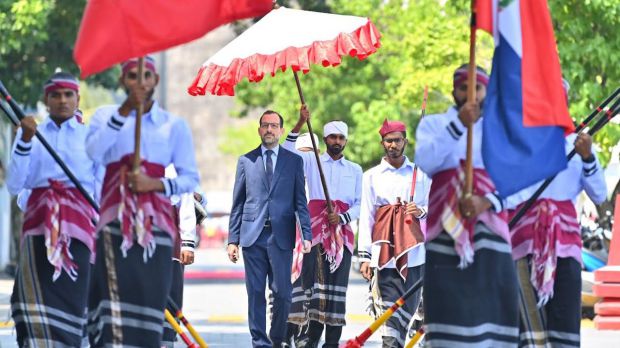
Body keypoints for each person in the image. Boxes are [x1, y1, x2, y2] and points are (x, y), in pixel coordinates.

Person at [85, 56, 200, 347]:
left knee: (151, 304)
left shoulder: (174, 126)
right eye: (132, 76)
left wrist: (156, 184)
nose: (140, 82)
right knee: (111, 304)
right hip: (113, 223)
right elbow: (93, 152)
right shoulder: (105, 117)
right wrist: (124, 113)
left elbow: (189, 180)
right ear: (123, 81)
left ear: (155, 81)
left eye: (146, 75)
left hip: (157, 226)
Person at [415, 64, 519, 346]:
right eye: (464, 87)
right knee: (449, 314)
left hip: (491, 233)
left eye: (477, 87)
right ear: (453, 91)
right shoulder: (434, 124)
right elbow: (426, 162)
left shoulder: (501, 132)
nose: (470, 93)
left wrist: (487, 201)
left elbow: (518, 183)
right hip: (444, 235)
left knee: (495, 313)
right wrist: (459, 124)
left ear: (487, 91)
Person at [506, 80, 607, 347]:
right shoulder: (518, 144)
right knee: (529, 329)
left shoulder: (579, 145)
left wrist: (588, 158)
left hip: (566, 249)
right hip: (524, 247)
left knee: (565, 326)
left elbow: (600, 195)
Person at [6, 72, 98, 347]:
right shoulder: (31, 135)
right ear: (47, 100)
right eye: (56, 95)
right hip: (38, 230)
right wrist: (23, 141)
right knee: (33, 301)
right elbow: (14, 186)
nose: (62, 100)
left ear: (77, 99)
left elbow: (102, 188)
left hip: (79, 231)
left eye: (68, 95)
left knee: (75, 297)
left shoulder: (91, 138)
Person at [227, 109, 312, 348]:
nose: (269, 130)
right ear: (259, 129)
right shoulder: (246, 160)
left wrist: (307, 233)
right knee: (255, 293)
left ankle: (277, 339)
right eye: (265, 125)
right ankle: (259, 342)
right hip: (252, 237)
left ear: (281, 131)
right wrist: (232, 239)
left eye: (274, 126)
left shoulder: (294, 161)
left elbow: (300, 201)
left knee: (283, 292)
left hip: (282, 237)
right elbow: (238, 202)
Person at [283, 106, 362, 348]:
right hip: (315, 235)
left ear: (345, 141)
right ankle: (310, 342)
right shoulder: (311, 161)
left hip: (343, 238)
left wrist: (344, 218)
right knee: (316, 293)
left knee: (337, 293)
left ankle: (332, 344)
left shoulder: (355, 170)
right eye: (332, 137)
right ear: (325, 139)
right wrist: (299, 123)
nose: (337, 142)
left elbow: (360, 203)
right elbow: (286, 152)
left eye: (340, 138)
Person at [358, 119, 429, 348]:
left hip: (415, 257)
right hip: (384, 257)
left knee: (406, 320)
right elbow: (367, 215)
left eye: (397, 140)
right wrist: (365, 256)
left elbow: (434, 208)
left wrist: (421, 210)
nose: (393, 145)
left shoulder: (421, 174)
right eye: (389, 141)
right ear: (382, 143)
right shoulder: (371, 176)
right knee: (390, 325)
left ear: (405, 142)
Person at [162, 166, 200, 347]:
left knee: (171, 291)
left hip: (169, 227)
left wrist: (188, 242)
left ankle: (166, 339)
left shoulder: (175, 162)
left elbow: (187, 199)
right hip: (138, 224)